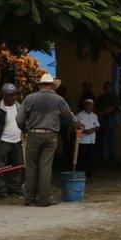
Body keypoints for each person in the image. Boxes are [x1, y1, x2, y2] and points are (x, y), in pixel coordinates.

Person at [16, 73, 84, 207]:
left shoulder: (30, 98)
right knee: (45, 167)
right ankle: (43, 199)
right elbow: (69, 116)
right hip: (50, 135)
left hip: (33, 134)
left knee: (31, 167)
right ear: (52, 86)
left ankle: (29, 198)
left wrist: (25, 129)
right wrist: (79, 123)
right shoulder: (58, 99)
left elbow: (19, 119)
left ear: (40, 85)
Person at [75, 98, 101, 178]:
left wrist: (91, 130)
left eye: (90, 104)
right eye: (87, 104)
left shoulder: (94, 115)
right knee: (82, 158)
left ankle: (90, 174)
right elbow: (76, 127)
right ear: (84, 105)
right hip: (83, 140)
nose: (88, 106)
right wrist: (85, 131)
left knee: (91, 158)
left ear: (92, 106)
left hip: (91, 140)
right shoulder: (79, 115)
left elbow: (97, 126)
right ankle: (81, 174)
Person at [94, 81, 119, 162]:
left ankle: (111, 155)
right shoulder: (101, 97)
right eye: (106, 87)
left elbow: (113, 107)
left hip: (110, 119)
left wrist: (102, 113)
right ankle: (104, 155)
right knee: (102, 137)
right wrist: (99, 115)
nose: (108, 89)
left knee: (110, 136)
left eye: (109, 87)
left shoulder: (114, 97)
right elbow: (96, 107)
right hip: (101, 119)